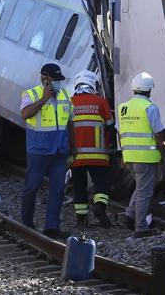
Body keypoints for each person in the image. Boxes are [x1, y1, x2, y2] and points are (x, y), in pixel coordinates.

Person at [18, 62, 72, 239]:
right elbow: (25, 114)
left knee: (57, 190)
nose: (57, 83)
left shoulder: (65, 95)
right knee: (32, 187)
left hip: (59, 150)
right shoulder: (30, 94)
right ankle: (26, 221)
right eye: (54, 79)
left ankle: (52, 227)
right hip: (39, 150)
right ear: (45, 78)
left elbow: (70, 122)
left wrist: (73, 147)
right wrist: (44, 98)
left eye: (58, 80)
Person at [118, 71, 165, 237]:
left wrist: (124, 155)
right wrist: (164, 153)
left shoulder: (123, 108)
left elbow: (120, 133)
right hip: (147, 158)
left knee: (140, 188)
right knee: (145, 193)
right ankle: (140, 228)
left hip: (129, 157)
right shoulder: (149, 107)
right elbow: (159, 135)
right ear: (149, 90)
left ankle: (129, 215)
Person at [68, 70, 114, 228]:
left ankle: (82, 220)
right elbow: (110, 125)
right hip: (98, 155)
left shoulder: (70, 102)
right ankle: (100, 207)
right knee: (102, 183)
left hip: (76, 157)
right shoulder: (100, 101)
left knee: (79, 186)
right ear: (93, 84)